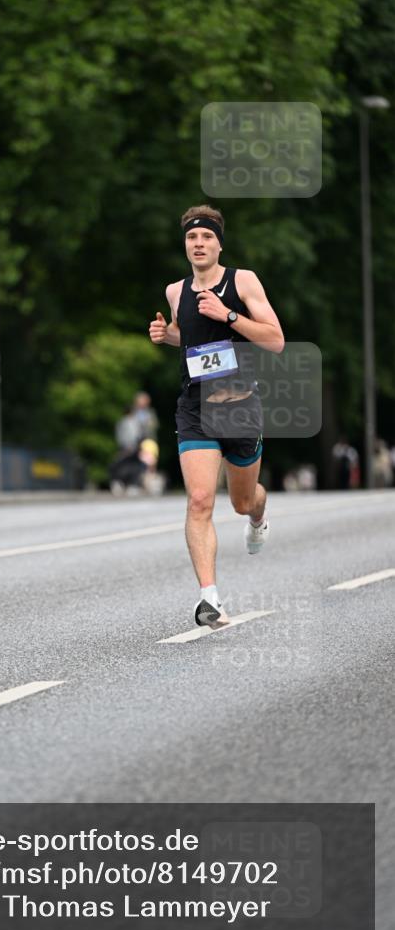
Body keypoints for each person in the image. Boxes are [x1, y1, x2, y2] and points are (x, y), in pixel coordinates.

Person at [149, 204, 285, 628]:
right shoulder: (176, 291)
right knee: (200, 500)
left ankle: (259, 517)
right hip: (195, 408)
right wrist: (167, 335)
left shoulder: (241, 281)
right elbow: (191, 339)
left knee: (243, 500)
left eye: (206, 237)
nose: (199, 243)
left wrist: (227, 314)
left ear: (219, 243)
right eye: (192, 237)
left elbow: (276, 340)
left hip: (240, 405)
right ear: (185, 244)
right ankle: (209, 598)